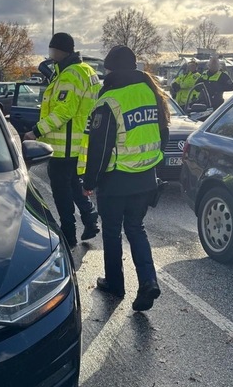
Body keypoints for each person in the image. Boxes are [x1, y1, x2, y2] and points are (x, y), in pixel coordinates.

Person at [78, 45, 169, 311]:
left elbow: (100, 147)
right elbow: (162, 134)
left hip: (115, 180)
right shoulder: (150, 92)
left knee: (112, 233)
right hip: (145, 177)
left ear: (110, 70)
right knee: (136, 229)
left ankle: (115, 284)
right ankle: (148, 281)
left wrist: (89, 182)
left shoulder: (109, 99)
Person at [23, 32, 100, 248]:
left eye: (52, 49)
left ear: (59, 50)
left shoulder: (69, 75)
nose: (50, 54)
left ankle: (68, 234)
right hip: (79, 142)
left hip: (64, 146)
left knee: (61, 192)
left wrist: (36, 131)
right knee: (73, 183)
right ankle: (90, 217)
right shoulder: (87, 71)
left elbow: (64, 111)